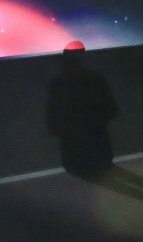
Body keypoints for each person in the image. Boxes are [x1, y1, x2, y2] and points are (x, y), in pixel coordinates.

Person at [45, 41, 118, 179]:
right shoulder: (94, 78)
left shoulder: (59, 83)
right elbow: (110, 107)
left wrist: (54, 126)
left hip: (78, 132)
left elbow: (53, 109)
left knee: (82, 160)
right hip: (92, 130)